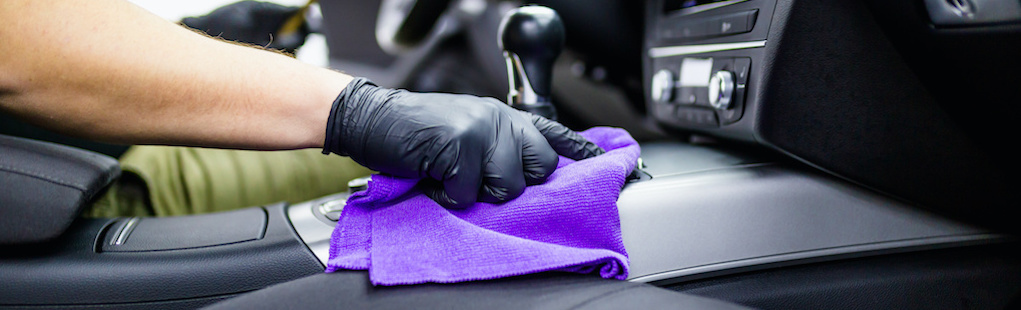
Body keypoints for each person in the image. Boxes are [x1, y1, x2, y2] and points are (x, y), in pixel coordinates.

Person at [0, 0, 602, 215]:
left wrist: (195, 32)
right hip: (74, 181)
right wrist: (355, 111)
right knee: (415, 156)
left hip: (60, 156)